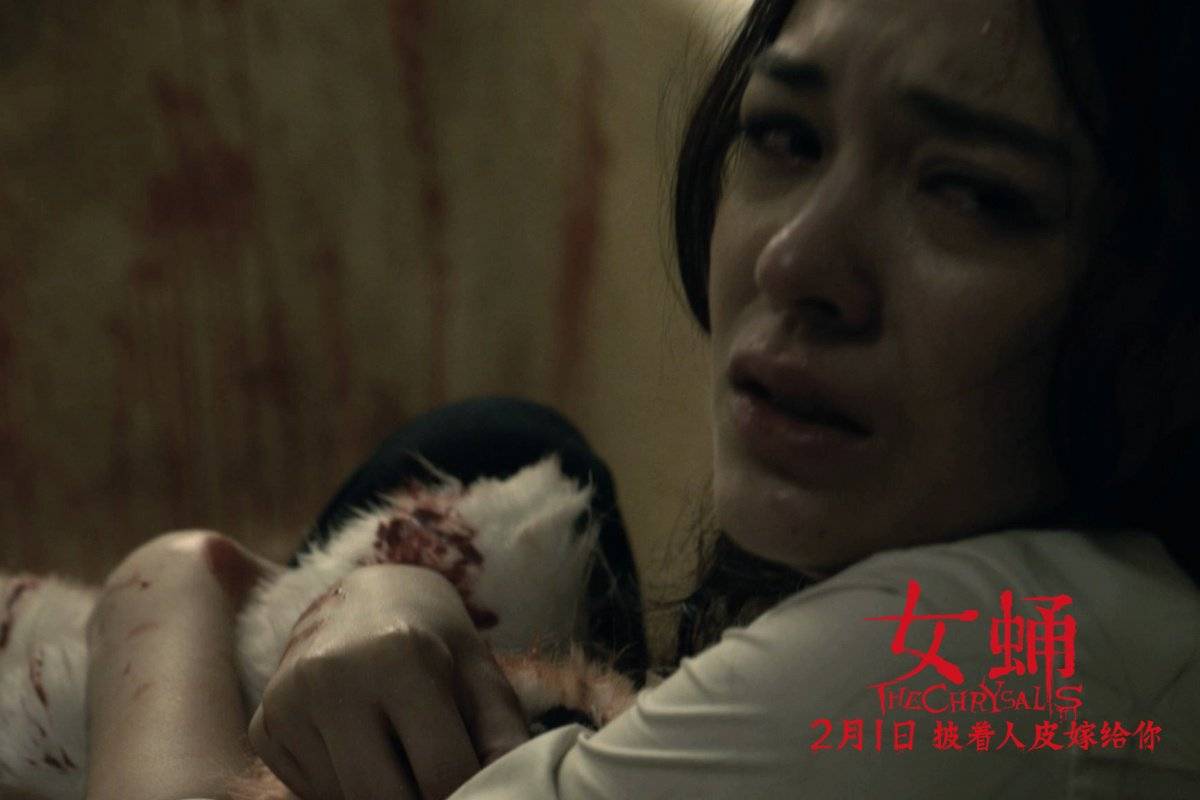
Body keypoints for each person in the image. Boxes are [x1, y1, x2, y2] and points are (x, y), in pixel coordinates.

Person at [84, 0, 1200, 798]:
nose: (796, 260)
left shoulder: (999, 651)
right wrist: (388, 594)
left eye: (972, 193)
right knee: (498, 448)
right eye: (786, 136)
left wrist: (171, 583)